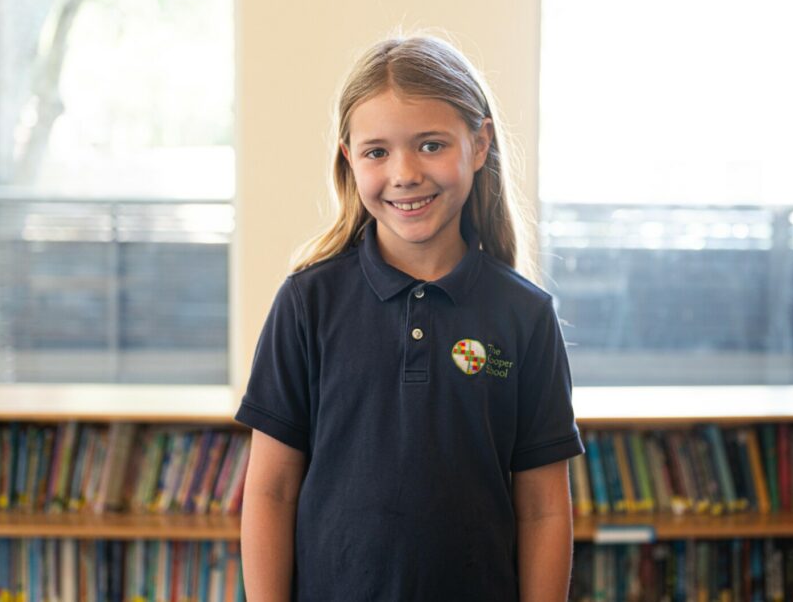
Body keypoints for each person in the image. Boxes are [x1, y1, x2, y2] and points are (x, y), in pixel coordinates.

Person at [236, 34, 583, 601]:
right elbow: (270, 492)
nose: (404, 173)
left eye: (430, 145)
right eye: (377, 151)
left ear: (478, 144)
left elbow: (544, 510)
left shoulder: (526, 316)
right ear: (350, 159)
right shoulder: (306, 303)